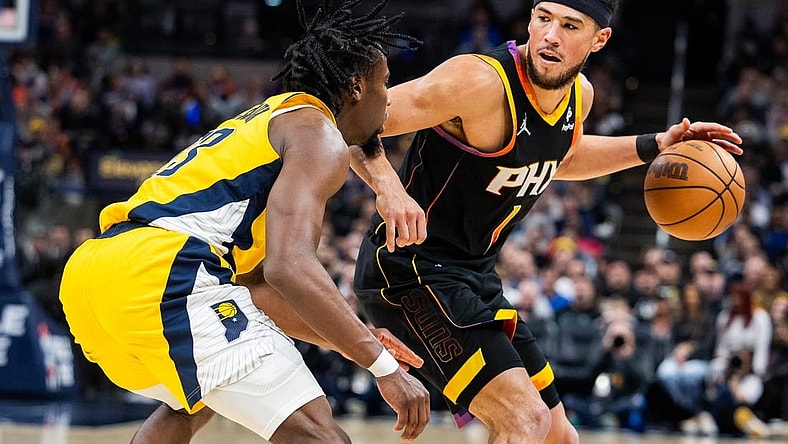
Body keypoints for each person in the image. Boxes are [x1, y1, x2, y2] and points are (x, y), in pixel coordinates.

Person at [350, 1, 744, 442]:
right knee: (524, 420)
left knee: (560, 436)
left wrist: (656, 144)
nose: (551, 35)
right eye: (543, 18)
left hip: (474, 275)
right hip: (409, 271)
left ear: (600, 39)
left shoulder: (580, 96)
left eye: (570, 25)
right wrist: (388, 187)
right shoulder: (478, 81)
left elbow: (565, 156)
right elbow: (351, 116)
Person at [58, 1, 431, 443]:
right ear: (355, 86)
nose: (389, 98)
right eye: (385, 83)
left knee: (191, 405)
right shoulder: (320, 135)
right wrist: (384, 369)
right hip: (166, 270)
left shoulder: (268, 121)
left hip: (95, 279)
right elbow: (289, 266)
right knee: (322, 438)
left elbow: (257, 289)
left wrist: (356, 341)